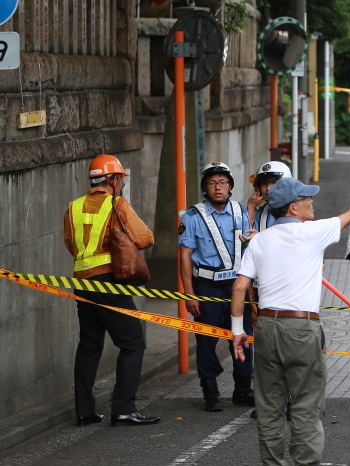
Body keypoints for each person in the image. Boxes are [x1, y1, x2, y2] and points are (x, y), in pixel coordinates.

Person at [231, 177, 350, 466]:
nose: (312, 203)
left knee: (270, 403)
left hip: (266, 327)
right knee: (306, 403)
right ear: (293, 207)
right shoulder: (311, 232)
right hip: (301, 328)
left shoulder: (259, 241)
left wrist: (238, 332)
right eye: (306, 198)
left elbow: (238, 287)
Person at [63, 155, 161, 427]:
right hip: (109, 282)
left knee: (89, 345)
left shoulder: (74, 207)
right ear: (113, 180)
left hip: (82, 282)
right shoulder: (115, 203)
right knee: (133, 342)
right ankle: (123, 409)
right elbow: (145, 238)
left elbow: (70, 243)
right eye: (119, 179)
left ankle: (85, 412)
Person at [178, 162, 255, 412]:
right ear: (204, 187)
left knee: (243, 337)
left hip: (237, 286)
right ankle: (210, 392)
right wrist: (189, 293)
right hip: (207, 286)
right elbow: (185, 256)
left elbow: (247, 247)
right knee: (206, 339)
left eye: (222, 182)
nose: (218, 187)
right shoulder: (191, 217)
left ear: (230, 185)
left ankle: (243, 389)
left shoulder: (239, 211)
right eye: (212, 183)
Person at [246, 161, 293, 235]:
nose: (268, 188)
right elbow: (247, 237)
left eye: (274, 182)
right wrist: (251, 207)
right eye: (264, 183)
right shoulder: (261, 212)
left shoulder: (298, 208)